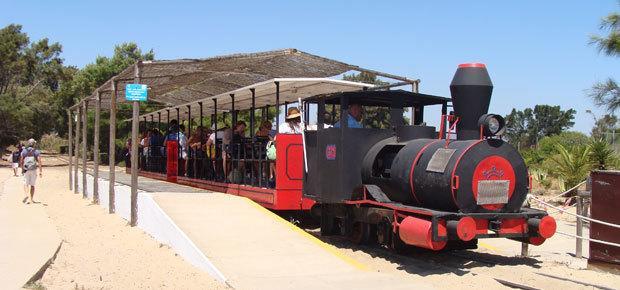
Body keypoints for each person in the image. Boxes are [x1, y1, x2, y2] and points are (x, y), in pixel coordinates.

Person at [20, 139, 42, 204]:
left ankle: (27, 197)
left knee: (25, 184)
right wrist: (40, 171)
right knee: (32, 185)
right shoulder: (36, 151)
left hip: (26, 169)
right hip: (33, 169)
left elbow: (21, 161)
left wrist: (22, 169)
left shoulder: (24, 151)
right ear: (34, 144)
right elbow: (39, 161)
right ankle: (31, 199)